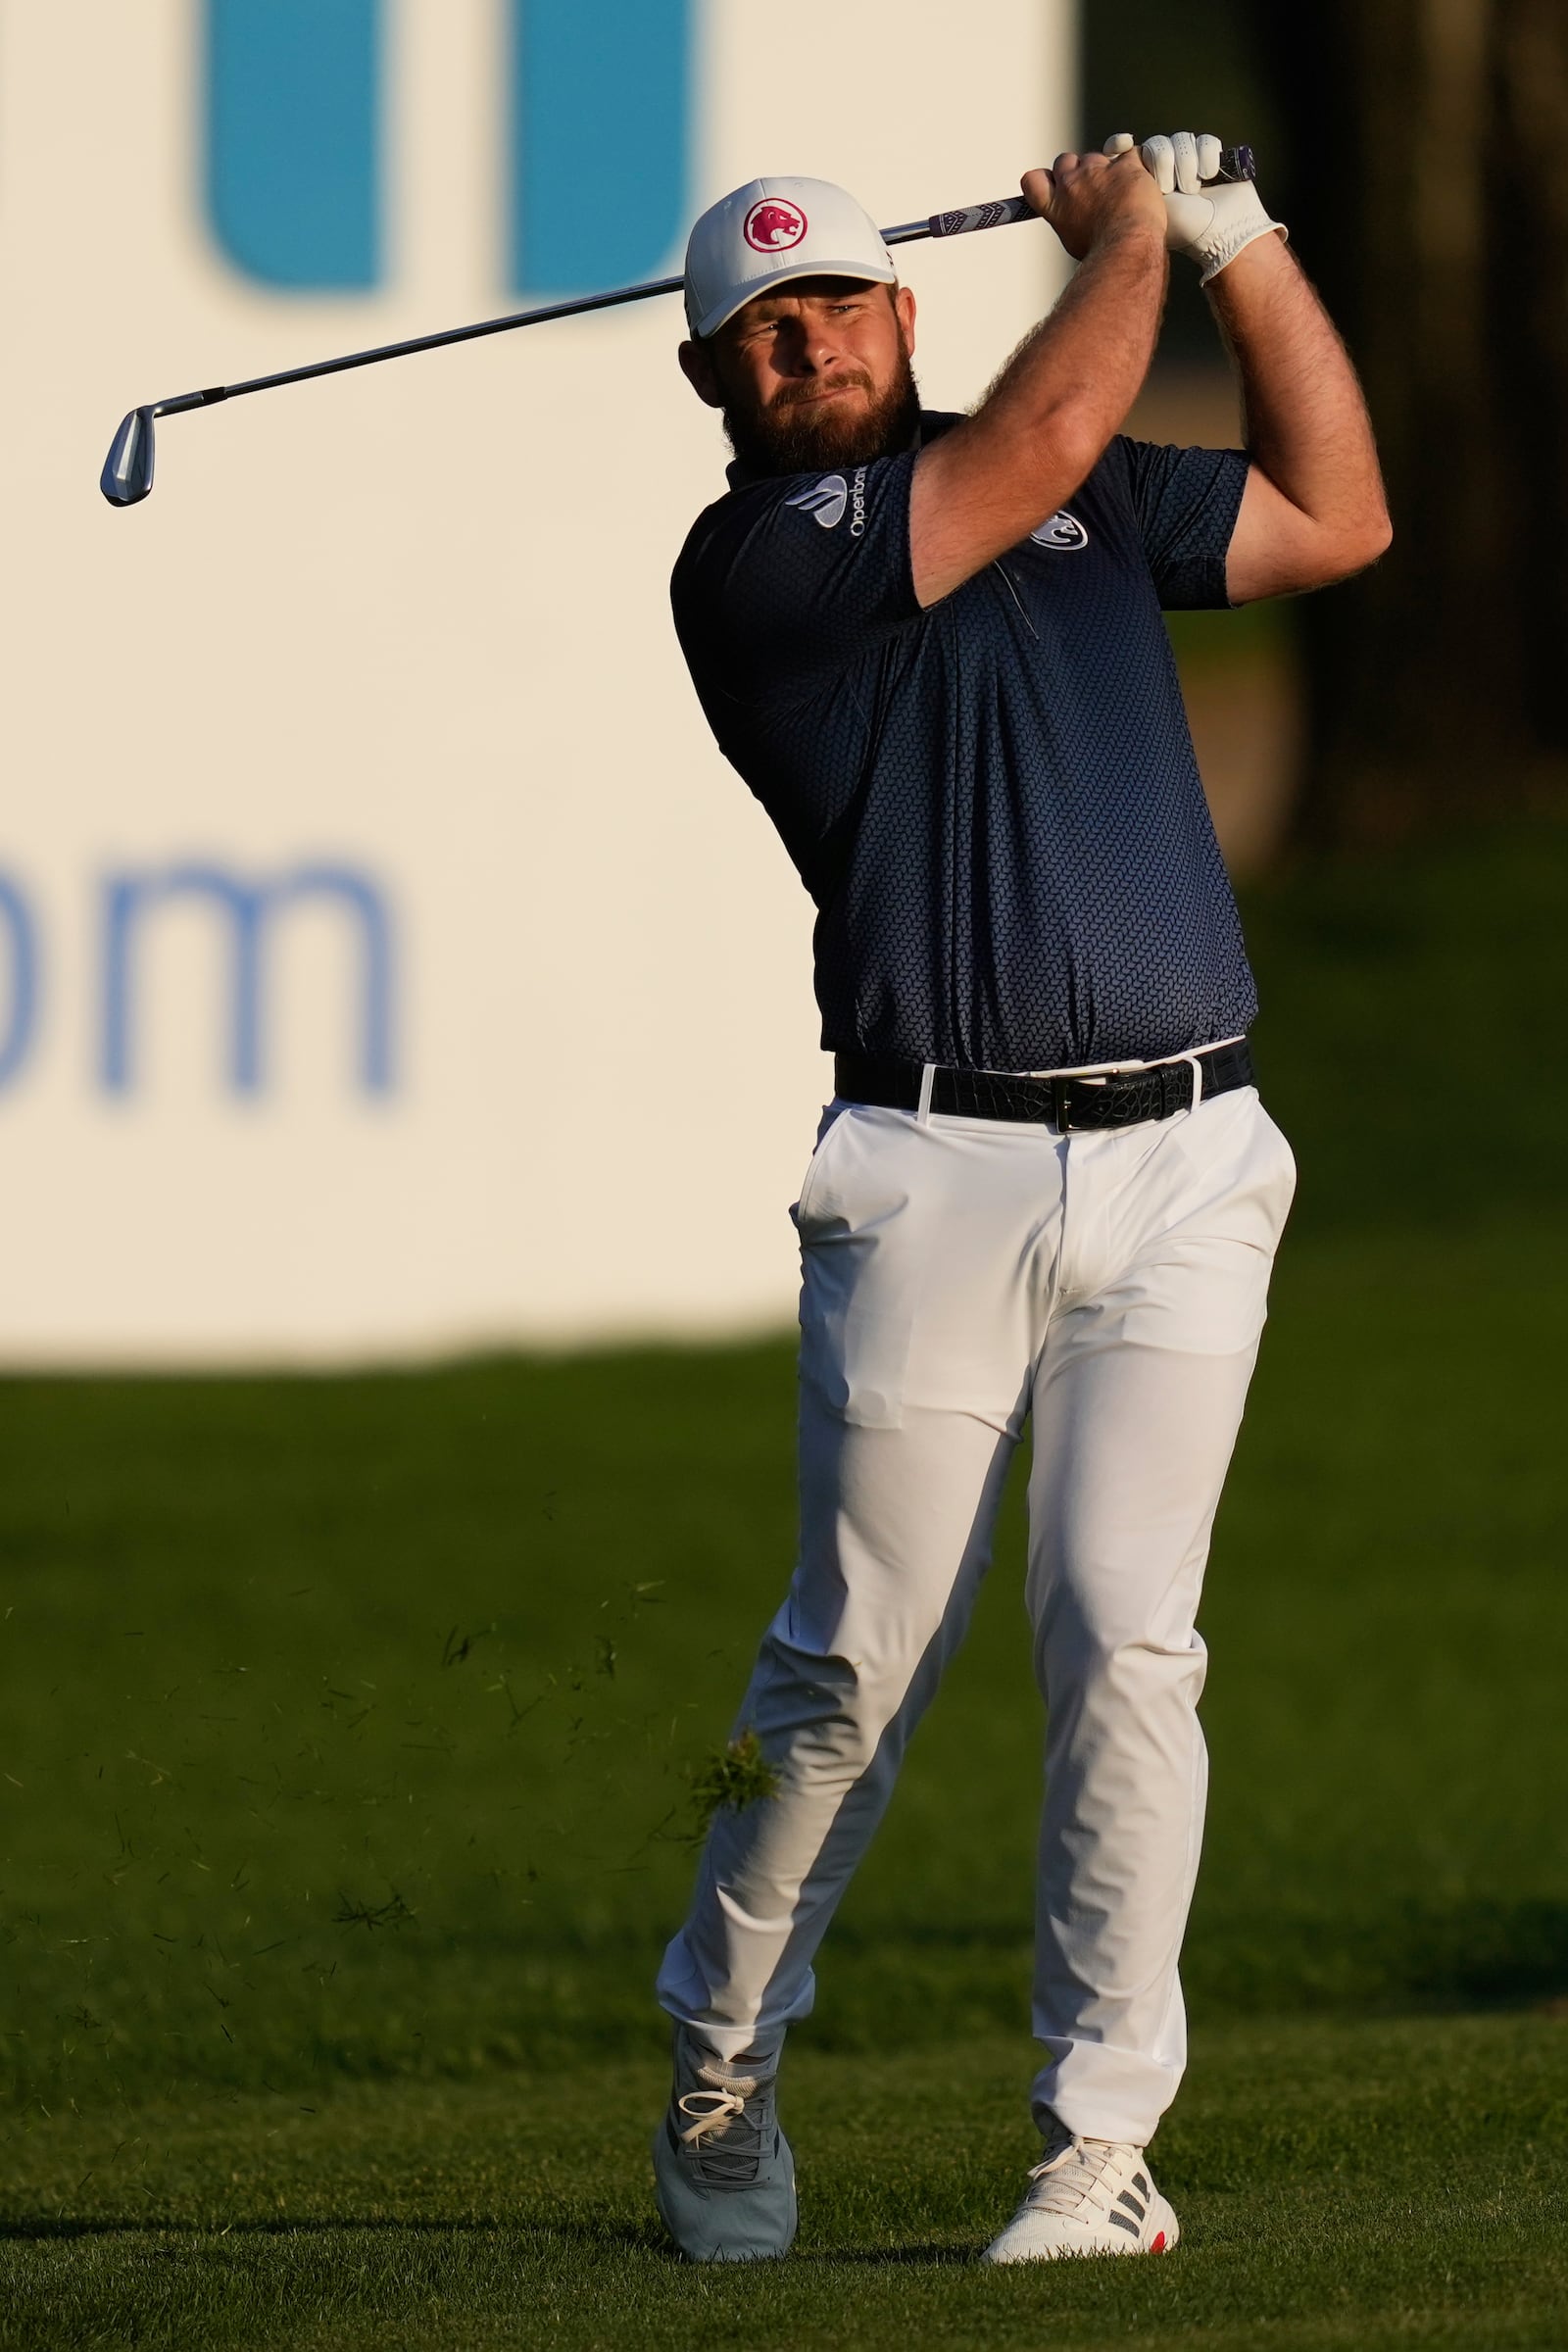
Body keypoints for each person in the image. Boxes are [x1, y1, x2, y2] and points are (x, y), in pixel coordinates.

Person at [651, 136, 1390, 2265]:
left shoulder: (1062, 479)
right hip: (928, 1171)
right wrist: (1137, 229)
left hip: (1184, 1156)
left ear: (904, 313)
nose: (799, 345)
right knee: (850, 1670)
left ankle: (1093, 2150)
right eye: (753, 331)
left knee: (1125, 1646)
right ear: (711, 385)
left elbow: (1337, 512)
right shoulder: (758, 558)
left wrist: (1249, 249)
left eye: (833, 306)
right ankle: (717, 2055)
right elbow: (1062, 411)